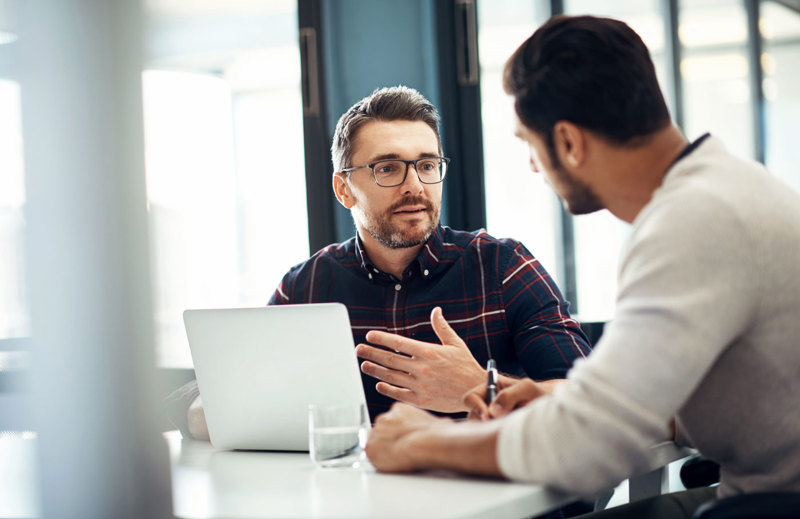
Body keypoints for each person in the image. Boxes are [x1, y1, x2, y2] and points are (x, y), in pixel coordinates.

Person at [364, 15, 800, 518]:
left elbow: (590, 447)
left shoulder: (693, 223)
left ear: (569, 143)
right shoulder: (724, 188)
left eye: (530, 143)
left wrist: (425, 440)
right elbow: (656, 400)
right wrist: (557, 396)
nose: (532, 166)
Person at [166, 86, 590, 440]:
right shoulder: (307, 286)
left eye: (427, 165)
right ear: (344, 189)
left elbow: (587, 399)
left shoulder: (502, 266)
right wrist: (216, 411)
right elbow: (208, 394)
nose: (414, 186)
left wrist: (482, 387)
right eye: (388, 168)